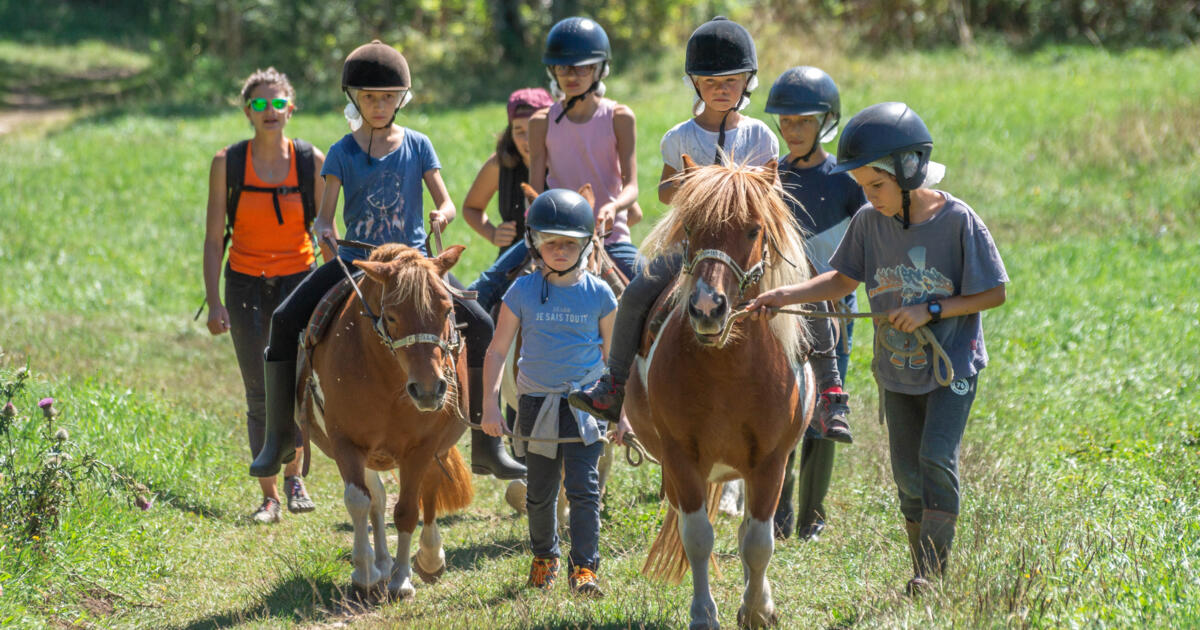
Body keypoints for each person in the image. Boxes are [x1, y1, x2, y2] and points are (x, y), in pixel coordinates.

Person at [747, 102, 1008, 594]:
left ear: (909, 170)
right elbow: (843, 277)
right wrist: (788, 293)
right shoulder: (869, 221)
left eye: (877, 185)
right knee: (907, 474)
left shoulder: (957, 221)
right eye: (864, 187)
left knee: (935, 457)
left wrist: (932, 311)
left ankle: (930, 575)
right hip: (895, 368)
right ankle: (922, 564)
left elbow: (994, 292)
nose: (869, 196)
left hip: (952, 366)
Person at [571, 18, 850, 466]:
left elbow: (771, 190)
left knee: (809, 287)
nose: (722, 89)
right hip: (693, 246)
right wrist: (693, 186)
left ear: (747, 83)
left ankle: (831, 390)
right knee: (640, 291)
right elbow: (663, 192)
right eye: (711, 82)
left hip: (748, 247)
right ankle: (614, 385)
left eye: (732, 81)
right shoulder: (680, 137)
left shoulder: (759, 134)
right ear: (695, 84)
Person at [248, 41, 525, 482]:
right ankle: (281, 436)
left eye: (388, 97)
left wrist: (444, 214)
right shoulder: (341, 151)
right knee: (284, 320)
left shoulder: (418, 145)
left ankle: (486, 444)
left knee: (481, 323)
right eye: (370, 98)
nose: (379, 106)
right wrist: (323, 231)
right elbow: (326, 214)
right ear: (354, 99)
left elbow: (448, 201)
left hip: (415, 265)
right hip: (359, 263)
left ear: (402, 99)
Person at [479, 189, 631, 596]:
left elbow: (617, 364)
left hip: (586, 406)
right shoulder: (521, 292)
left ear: (586, 244)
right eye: (551, 242)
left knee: (584, 490)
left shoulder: (600, 293)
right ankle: (545, 557)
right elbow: (496, 351)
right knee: (540, 492)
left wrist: (622, 416)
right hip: (534, 405)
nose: (560, 251)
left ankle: (585, 569)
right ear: (535, 244)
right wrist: (490, 406)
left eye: (570, 243)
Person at [202, 67, 322, 523]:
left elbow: (326, 232)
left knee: (298, 386)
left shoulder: (311, 160)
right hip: (245, 283)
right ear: (247, 111)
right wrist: (214, 301)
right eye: (259, 104)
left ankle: (297, 480)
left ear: (290, 108)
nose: (268, 111)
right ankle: (269, 495)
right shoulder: (227, 163)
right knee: (258, 389)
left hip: (299, 282)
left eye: (277, 103)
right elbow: (215, 239)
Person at [467, 16, 642, 314]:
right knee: (480, 291)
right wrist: (537, 217)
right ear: (552, 71)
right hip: (551, 235)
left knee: (652, 290)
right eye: (563, 67)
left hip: (610, 237)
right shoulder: (541, 121)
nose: (571, 75)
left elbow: (632, 186)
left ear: (600, 69)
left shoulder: (619, 117)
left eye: (582, 67)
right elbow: (536, 186)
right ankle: (473, 358)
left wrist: (613, 207)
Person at [764, 66, 866, 540]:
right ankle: (779, 510)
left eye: (803, 121)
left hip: (834, 310)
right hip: (784, 310)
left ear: (827, 121)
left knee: (826, 406)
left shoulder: (848, 182)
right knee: (783, 405)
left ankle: (813, 516)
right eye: (785, 123)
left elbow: (867, 244)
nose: (793, 131)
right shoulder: (773, 178)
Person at [461, 88, 555, 260]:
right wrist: (492, 233)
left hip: (561, 258)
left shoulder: (566, 163)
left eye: (536, 129)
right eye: (519, 131)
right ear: (510, 133)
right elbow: (471, 208)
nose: (528, 139)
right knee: (481, 287)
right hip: (513, 260)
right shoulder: (498, 165)